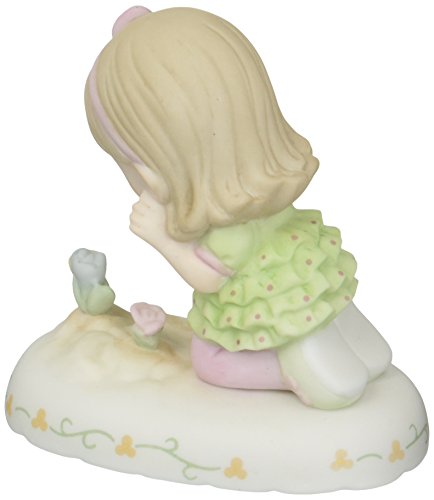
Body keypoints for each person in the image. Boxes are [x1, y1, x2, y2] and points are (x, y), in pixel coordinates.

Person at [85, 6, 391, 409]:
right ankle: (347, 334)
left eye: (129, 162)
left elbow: (210, 281)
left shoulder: (225, 229)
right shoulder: (260, 191)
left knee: (209, 359)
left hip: (265, 299)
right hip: (301, 268)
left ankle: (296, 364)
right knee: (317, 301)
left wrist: (164, 240)